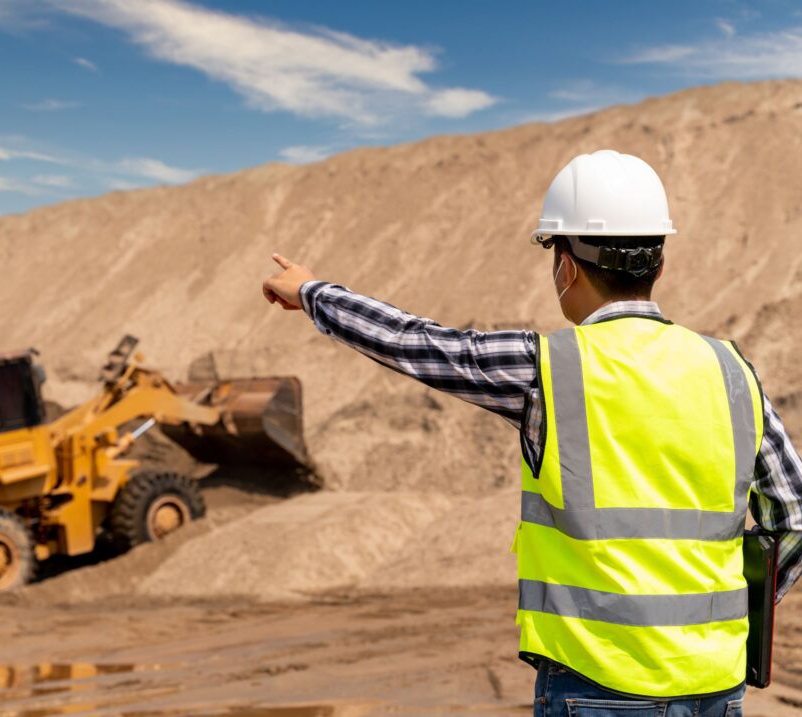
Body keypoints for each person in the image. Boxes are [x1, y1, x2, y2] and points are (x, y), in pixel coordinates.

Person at [261, 149, 802, 716]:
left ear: (565, 266)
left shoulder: (548, 368)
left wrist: (313, 292)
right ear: (659, 265)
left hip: (597, 688)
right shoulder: (733, 370)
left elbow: (417, 343)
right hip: (715, 687)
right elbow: (790, 516)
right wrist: (732, 618)